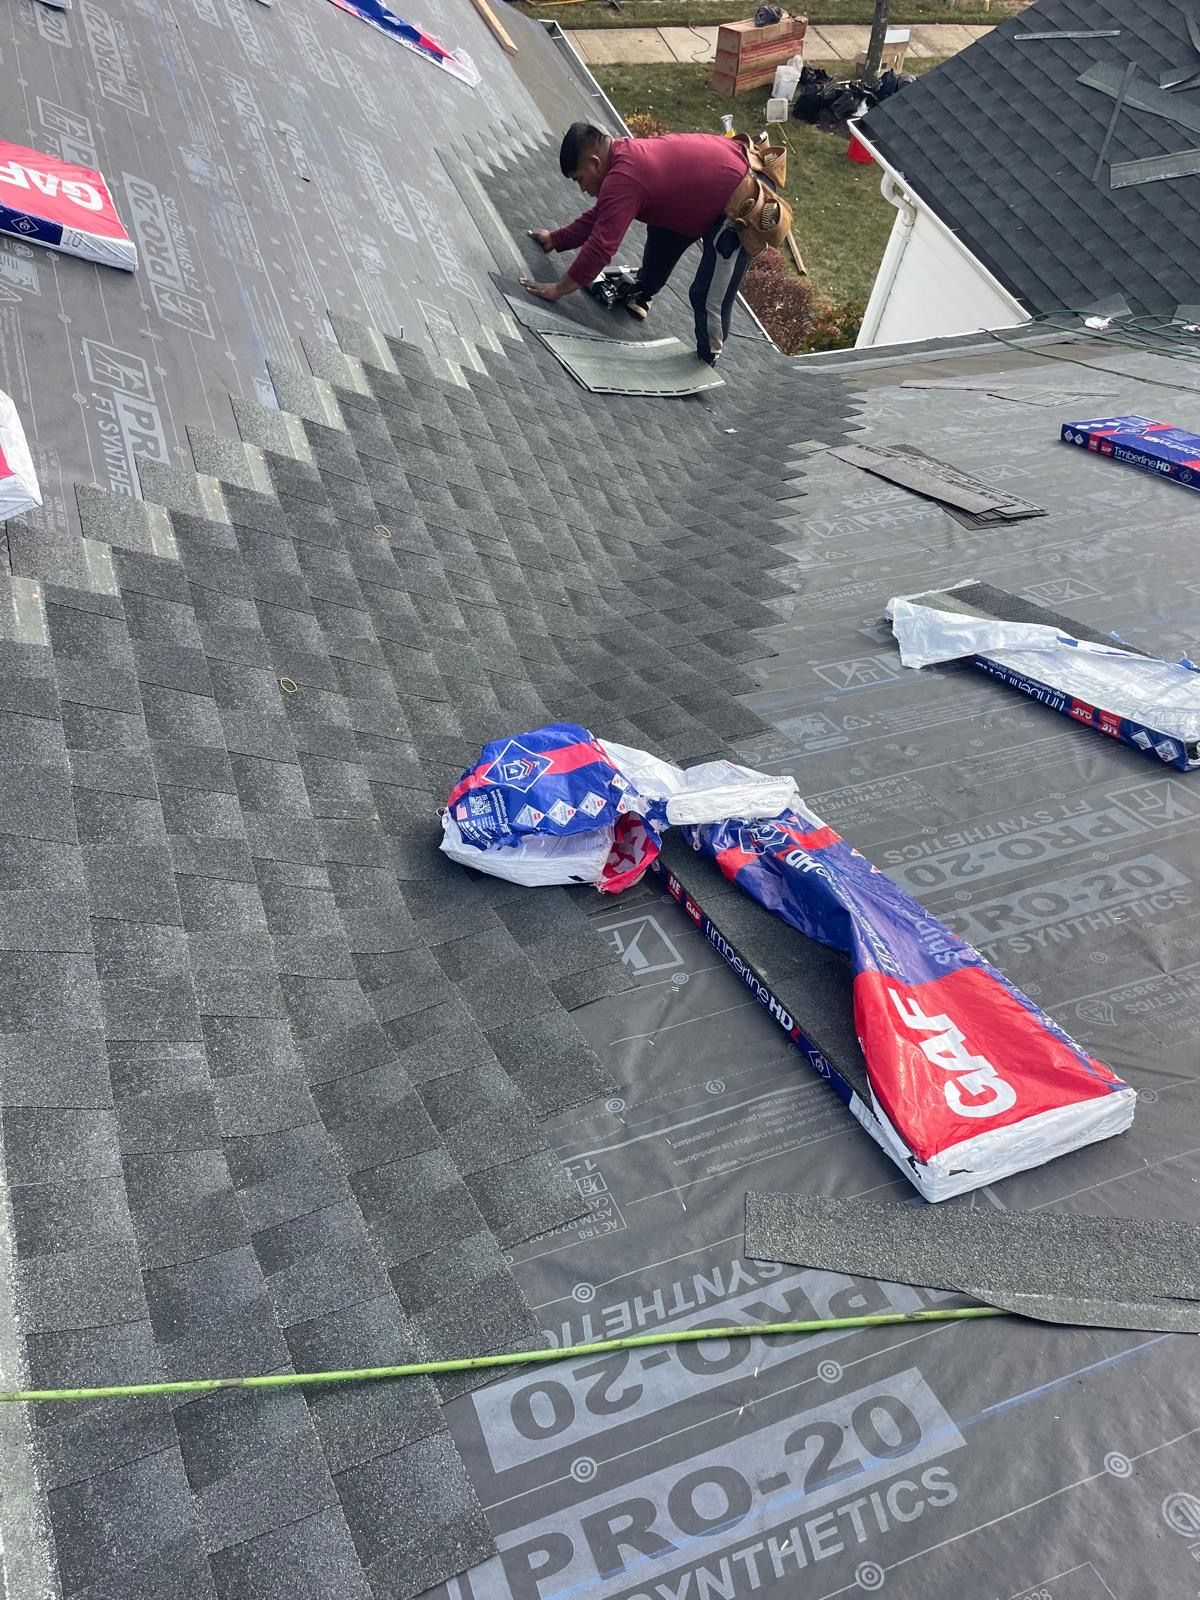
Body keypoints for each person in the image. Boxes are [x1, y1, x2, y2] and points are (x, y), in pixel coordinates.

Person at [523, 122, 754, 367]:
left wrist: (560, 289)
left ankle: (707, 358)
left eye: (580, 179)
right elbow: (601, 215)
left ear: (594, 162)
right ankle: (643, 292)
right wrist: (556, 239)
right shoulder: (622, 157)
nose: (582, 189)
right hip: (706, 193)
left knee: (707, 295)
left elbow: (601, 247)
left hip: (741, 200)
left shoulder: (625, 175)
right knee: (661, 226)